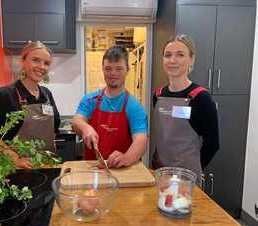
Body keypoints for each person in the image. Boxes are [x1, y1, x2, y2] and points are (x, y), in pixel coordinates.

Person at [0, 41, 60, 169]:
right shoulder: (4, 95)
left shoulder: (47, 94)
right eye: (36, 60)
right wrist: (15, 159)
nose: (42, 66)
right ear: (22, 61)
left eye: (46, 63)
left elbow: (54, 129)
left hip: (46, 166)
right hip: (15, 171)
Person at [152, 34, 219, 180]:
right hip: (160, 173)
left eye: (180, 55)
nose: (172, 60)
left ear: (191, 59)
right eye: (167, 55)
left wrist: (194, 169)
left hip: (186, 180)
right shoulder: (158, 95)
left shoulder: (201, 98)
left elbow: (213, 144)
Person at [71, 45, 148, 168]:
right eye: (108, 68)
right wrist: (85, 127)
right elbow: (76, 120)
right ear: (103, 70)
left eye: (119, 68)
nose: (113, 73)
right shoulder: (90, 99)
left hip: (121, 171)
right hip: (92, 170)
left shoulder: (134, 107)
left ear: (127, 70)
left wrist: (126, 158)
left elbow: (141, 140)